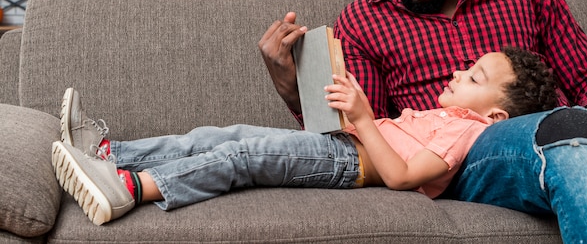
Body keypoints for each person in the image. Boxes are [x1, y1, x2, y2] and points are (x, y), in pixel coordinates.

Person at [258, 0, 587, 243]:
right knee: (564, 135)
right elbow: (363, 126)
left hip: (559, 131)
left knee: (573, 135)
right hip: (459, 161)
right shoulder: (364, 19)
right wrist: (293, 88)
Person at [52, 46, 555, 226]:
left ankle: (130, 188)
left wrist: (362, 118)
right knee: (219, 134)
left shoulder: (465, 136)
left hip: (348, 165)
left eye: (473, 78)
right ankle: (108, 152)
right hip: (340, 146)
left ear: (493, 116)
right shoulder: (449, 118)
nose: (458, 74)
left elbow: (402, 176)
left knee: (240, 156)